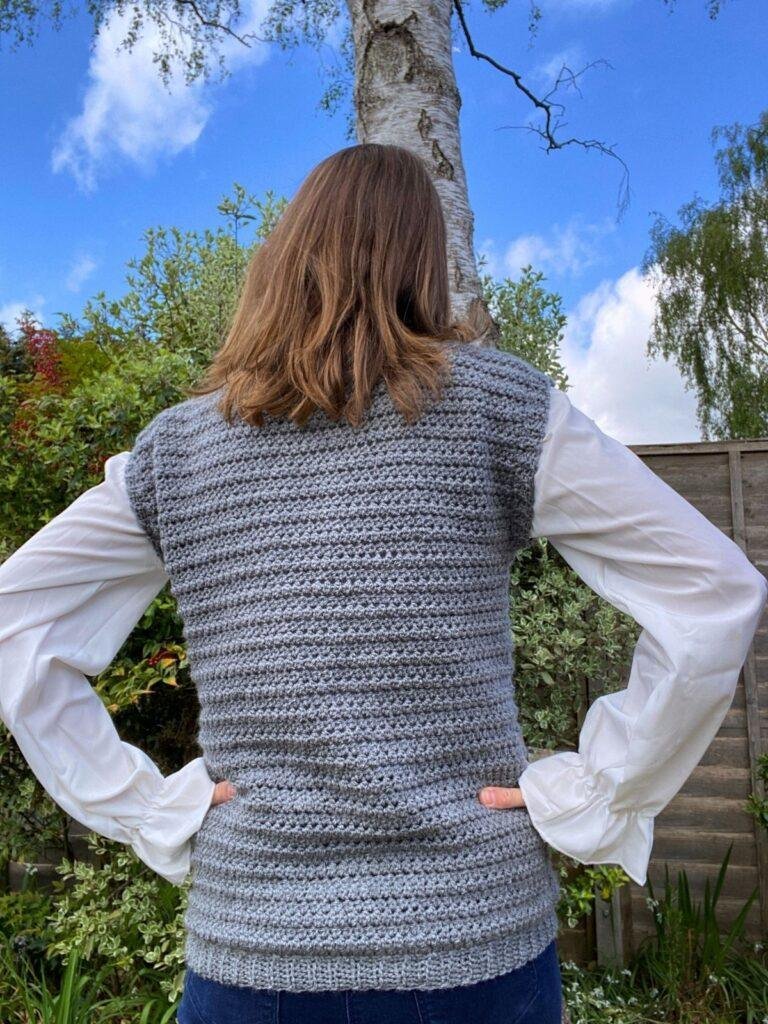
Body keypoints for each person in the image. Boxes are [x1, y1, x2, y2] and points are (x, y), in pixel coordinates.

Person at [0, 143, 766, 1024]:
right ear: (420, 260)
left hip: (255, 951)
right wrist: (597, 793)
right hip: (473, 949)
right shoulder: (499, 408)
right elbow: (713, 592)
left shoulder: (179, 450)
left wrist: (148, 808)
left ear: (286, 255)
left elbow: (16, 623)